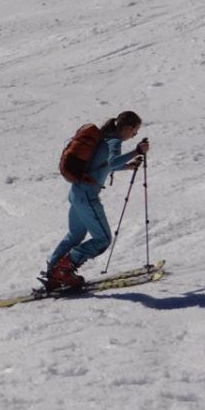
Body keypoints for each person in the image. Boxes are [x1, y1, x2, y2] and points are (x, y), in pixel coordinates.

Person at [46, 111, 149, 289]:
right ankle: (63, 270)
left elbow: (102, 165)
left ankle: (53, 271)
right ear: (127, 128)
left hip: (76, 193)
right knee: (103, 239)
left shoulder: (104, 138)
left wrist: (127, 166)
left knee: (75, 235)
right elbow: (114, 162)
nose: (135, 135)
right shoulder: (115, 141)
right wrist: (137, 151)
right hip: (87, 196)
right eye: (135, 131)